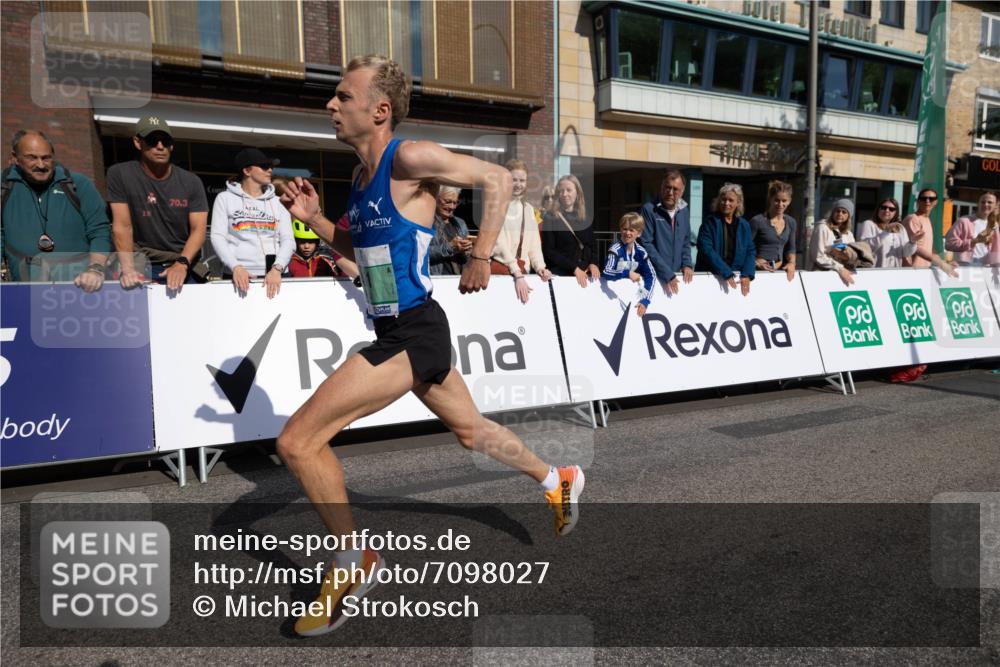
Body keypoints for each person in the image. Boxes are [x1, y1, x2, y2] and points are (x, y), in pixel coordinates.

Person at [276, 55, 585, 637]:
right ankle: (557, 477)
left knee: (297, 441)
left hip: (415, 331)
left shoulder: (409, 157)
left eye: (344, 97)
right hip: (399, 330)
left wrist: (479, 253)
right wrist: (315, 218)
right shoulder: (363, 179)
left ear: (380, 110)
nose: (331, 105)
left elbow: (497, 179)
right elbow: (355, 241)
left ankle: (354, 562)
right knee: (473, 432)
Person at [107, 116, 209, 291]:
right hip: (140, 262)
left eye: (165, 141)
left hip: (183, 261)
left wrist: (181, 263)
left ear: (171, 145)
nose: (160, 146)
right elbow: (122, 226)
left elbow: (198, 230)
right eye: (152, 141)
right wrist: (128, 268)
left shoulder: (191, 181)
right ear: (138, 142)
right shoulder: (120, 174)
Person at [1, 130, 110, 291]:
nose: (41, 165)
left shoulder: (79, 185)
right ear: (15, 158)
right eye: (32, 157)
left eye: (46, 157)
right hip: (24, 291)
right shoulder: (4, 188)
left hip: (80, 288)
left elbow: (99, 231)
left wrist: (95, 270)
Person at [210, 148, 293, 298]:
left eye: (271, 167)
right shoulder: (225, 198)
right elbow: (217, 237)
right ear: (247, 171)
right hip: (239, 275)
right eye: (264, 166)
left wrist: (277, 268)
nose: (270, 170)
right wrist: (235, 267)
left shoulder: (278, 202)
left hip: (276, 275)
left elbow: (288, 239)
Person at [492, 159, 551, 304]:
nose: (518, 184)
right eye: (514, 179)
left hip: (522, 274)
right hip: (503, 273)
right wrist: (516, 272)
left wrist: (541, 267)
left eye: (522, 180)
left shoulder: (529, 209)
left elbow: (534, 246)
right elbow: (498, 244)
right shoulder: (496, 206)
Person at [695, 183, 755, 296]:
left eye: (731, 200)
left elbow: (750, 250)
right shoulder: (710, 222)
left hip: (735, 279)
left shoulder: (744, 225)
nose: (726, 203)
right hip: (711, 278)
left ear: (738, 203)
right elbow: (706, 249)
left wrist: (747, 274)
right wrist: (726, 272)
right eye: (723, 199)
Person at [639, 169, 693, 294]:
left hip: (675, 276)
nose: (670, 192)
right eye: (667, 187)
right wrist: (667, 273)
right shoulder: (649, 209)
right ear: (661, 187)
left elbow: (686, 241)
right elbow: (646, 243)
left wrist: (687, 264)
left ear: (682, 192)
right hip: (652, 276)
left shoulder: (684, 211)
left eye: (675, 189)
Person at [541, 174, 598, 288]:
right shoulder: (550, 217)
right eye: (561, 191)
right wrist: (574, 268)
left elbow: (592, 245)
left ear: (577, 192)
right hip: (562, 275)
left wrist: (593, 263)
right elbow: (549, 251)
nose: (564, 194)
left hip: (586, 273)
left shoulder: (585, 217)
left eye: (569, 190)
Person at [602, 212, 655, 318]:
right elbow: (607, 271)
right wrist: (628, 273)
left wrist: (645, 301)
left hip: (634, 303)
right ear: (620, 230)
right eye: (625, 229)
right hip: (611, 303)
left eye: (632, 230)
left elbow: (651, 276)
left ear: (639, 233)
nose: (627, 233)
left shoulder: (641, 252)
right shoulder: (615, 249)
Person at [899, 188, 958, 274]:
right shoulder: (913, 219)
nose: (927, 201)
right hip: (911, 271)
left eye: (931, 199)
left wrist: (944, 262)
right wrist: (941, 264)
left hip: (923, 270)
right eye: (924, 198)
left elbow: (927, 248)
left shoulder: (926, 219)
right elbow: (915, 248)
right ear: (918, 201)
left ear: (936, 202)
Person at [749, 180, 796, 281]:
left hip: (779, 273)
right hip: (757, 273)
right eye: (777, 200)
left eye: (784, 201)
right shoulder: (757, 221)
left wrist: (792, 263)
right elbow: (744, 248)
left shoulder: (791, 222)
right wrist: (756, 261)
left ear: (789, 201)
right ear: (770, 199)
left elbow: (791, 248)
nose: (780, 204)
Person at [806, 199, 858, 285]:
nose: (840, 214)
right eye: (837, 211)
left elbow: (852, 254)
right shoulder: (822, 228)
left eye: (844, 212)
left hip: (842, 276)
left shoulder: (849, 234)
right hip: (821, 275)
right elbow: (817, 256)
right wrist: (839, 267)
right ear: (833, 212)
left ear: (849, 216)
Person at [854, 198, 915, 268]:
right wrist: (885, 232)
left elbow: (906, 253)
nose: (887, 210)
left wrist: (912, 242)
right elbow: (865, 247)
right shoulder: (869, 224)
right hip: (875, 271)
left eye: (891, 209)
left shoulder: (900, 228)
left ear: (896, 213)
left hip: (895, 272)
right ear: (878, 209)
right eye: (883, 207)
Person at [946, 191, 999, 266]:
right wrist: (974, 241)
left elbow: (996, 250)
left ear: (995, 206)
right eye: (983, 202)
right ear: (978, 203)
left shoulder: (994, 225)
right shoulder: (964, 221)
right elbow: (949, 244)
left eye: (990, 202)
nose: (986, 204)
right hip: (965, 266)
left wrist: (996, 266)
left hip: (986, 268)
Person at [428, 185, 471, 275]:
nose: (452, 207)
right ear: (436, 199)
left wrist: (467, 250)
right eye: (447, 202)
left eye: (455, 203)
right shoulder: (427, 222)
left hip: (460, 279)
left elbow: (468, 257)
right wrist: (450, 247)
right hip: (438, 280)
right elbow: (422, 253)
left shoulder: (460, 223)